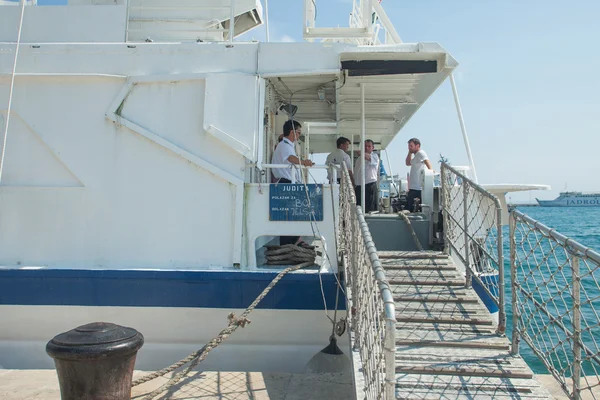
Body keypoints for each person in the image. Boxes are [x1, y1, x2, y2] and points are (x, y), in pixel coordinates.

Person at [271, 120, 314, 246]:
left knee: (293, 214)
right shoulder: (284, 145)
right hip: (286, 183)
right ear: (292, 132)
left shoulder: (286, 144)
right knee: (289, 215)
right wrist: (304, 162)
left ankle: (294, 240)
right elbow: (290, 158)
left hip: (290, 183)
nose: (299, 135)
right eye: (298, 132)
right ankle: (289, 243)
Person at [405, 138, 433, 212]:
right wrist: (410, 152)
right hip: (412, 188)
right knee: (409, 209)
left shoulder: (421, 153)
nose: (409, 147)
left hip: (418, 188)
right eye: (409, 146)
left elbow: (427, 162)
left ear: (417, 146)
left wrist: (430, 172)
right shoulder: (416, 156)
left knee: (414, 209)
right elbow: (407, 163)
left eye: (411, 146)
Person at [354, 139, 379, 213]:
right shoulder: (358, 159)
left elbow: (368, 158)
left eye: (369, 146)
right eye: (365, 146)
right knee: (359, 209)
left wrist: (362, 153)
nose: (366, 148)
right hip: (359, 187)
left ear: (372, 148)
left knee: (370, 210)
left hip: (369, 185)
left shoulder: (375, 156)